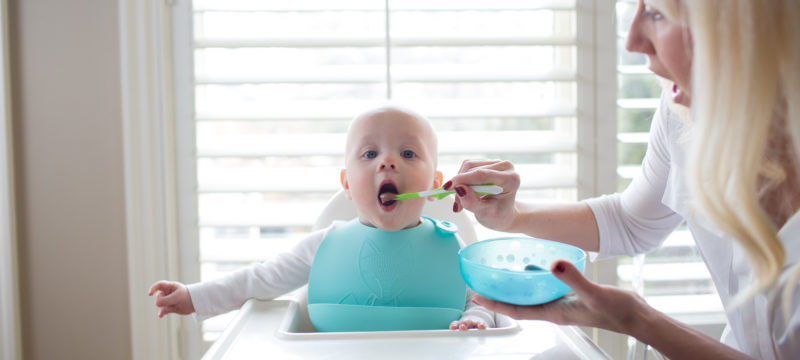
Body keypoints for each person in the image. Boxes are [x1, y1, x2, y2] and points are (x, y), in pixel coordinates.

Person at [445, 0, 800, 358]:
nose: (632, 41)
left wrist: (639, 321)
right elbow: (631, 222)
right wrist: (513, 216)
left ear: (740, 27)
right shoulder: (683, 111)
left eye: (657, 14)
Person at [149, 105, 494, 332]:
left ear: (434, 185)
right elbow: (261, 278)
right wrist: (195, 296)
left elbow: (478, 301)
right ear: (347, 184)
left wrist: (475, 323)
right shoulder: (325, 246)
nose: (387, 162)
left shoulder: (451, 247)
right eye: (370, 153)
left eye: (407, 153)